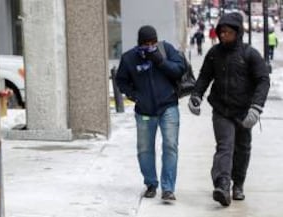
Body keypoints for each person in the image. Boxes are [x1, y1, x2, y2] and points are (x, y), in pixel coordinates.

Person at [188, 13, 270, 206]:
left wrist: (256, 108)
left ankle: (238, 184)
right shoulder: (214, 53)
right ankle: (222, 185)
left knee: (242, 149)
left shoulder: (250, 54)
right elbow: (204, 76)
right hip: (221, 109)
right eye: (221, 32)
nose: (224, 36)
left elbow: (263, 80)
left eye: (228, 32)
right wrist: (196, 95)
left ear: (238, 32)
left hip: (244, 111)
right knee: (225, 146)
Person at [116, 25, 185, 201]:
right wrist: (135, 96)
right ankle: (151, 183)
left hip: (168, 106)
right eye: (146, 43)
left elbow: (179, 70)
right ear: (139, 43)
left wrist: (160, 61)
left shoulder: (165, 49)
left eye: (153, 42)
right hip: (145, 110)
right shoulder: (130, 58)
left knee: (170, 146)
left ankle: (168, 188)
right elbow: (121, 81)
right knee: (145, 149)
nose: (150, 46)